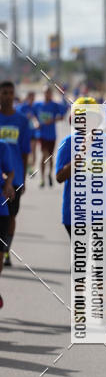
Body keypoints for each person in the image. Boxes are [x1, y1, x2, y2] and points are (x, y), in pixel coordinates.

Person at [56, 97, 106, 326]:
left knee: (100, 256)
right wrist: (80, 155)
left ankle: (102, 308)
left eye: (91, 117)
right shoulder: (68, 143)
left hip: (104, 210)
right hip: (75, 211)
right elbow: (60, 176)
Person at [0, 81, 31, 267]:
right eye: (4, 92)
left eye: (11, 93)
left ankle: (5, 251)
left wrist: (24, 179)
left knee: (11, 216)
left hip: (15, 177)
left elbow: (25, 152)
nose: (8, 96)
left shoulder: (22, 121)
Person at [33, 86, 64, 186]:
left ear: (51, 94)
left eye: (49, 93)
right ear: (43, 93)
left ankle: (49, 174)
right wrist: (36, 122)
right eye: (46, 92)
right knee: (43, 155)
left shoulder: (54, 105)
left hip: (52, 135)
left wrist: (52, 120)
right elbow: (33, 115)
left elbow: (62, 116)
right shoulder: (38, 105)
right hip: (42, 134)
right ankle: (42, 178)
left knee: (50, 157)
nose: (47, 94)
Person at [0, 139, 15, 308]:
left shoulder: (2, 146)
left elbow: (9, 171)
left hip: (1, 209)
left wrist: (8, 185)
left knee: (0, 254)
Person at [16, 91, 39, 172]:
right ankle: (28, 167)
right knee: (27, 151)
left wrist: (37, 123)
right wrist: (26, 117)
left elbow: (37, 118)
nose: (32, 99)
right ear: (28, 97)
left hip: (33, 133)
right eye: (31, 97)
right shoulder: (23, 107)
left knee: (33, 151)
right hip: (25, 133)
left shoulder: (35, 107)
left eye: (33, 97)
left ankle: (32, 167)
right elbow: (18, 117)